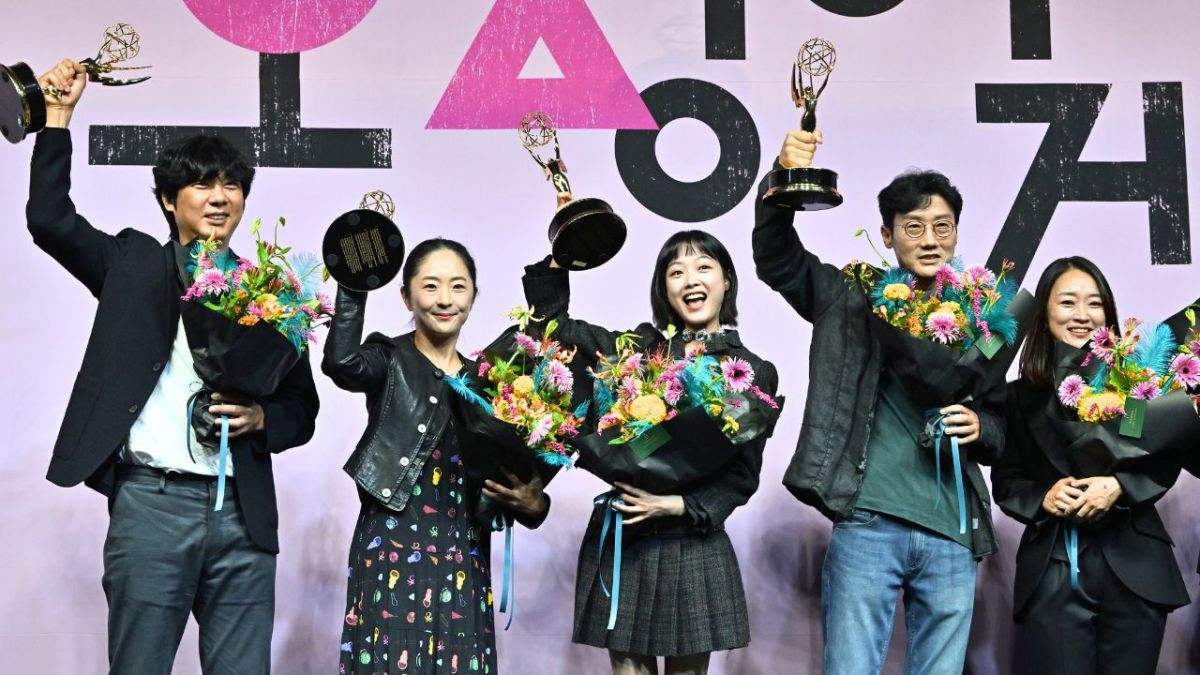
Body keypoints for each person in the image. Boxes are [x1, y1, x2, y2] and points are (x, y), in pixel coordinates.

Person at [26, 60, 320, 673]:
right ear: (168, 199)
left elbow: (302, 410)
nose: (219, 197)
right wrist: (57, 119)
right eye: (202, 185)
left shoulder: (273, 291)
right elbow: (49, 220)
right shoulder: (131, 264)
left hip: (242, 512)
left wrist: (262, 418)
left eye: (232, 186)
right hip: (151, 504)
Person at [753, 128, 1003, 674]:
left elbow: (1002, 422)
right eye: (913, 227)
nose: (930, 239)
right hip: (868, 521)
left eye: (942, 226)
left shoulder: (982, 316)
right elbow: (776, 258)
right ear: (887, 235)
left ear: (956, 234)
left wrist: (982, 426)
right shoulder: (850, 296)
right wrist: (783, 176)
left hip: (952, 528)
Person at [522, 230, 779, 675]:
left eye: (703, 267)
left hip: (692, 542)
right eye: (676, 272)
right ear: (664, 288)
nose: (690, 280)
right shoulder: (637, 352)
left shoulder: (751, 372)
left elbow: (742, 474)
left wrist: (679, 504)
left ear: (726, 280)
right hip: (626, 538)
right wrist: (563, 246)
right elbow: (556, 329)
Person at [323, 238, 550, 674]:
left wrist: (535, 504)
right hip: (390, 541)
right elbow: (342, 362)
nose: (445, 299)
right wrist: (353, 281)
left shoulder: (492, 384)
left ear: (473, 296)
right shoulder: (388, 358)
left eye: (458, 286)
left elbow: (516, 479)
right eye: (430, 286)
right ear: (406, 296)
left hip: (463, 547)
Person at [992, 256, 1190, 675]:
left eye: (1094, 303)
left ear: (1108, 315)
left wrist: (1120, 486)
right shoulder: (1016, 398)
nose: (1082, 314)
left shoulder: (1137, 386)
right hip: (1055, 569)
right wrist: (1045, 497)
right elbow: (1007, 480)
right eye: (1068, 302)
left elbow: (1164, 454)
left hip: (1137, 568)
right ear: (1044, 312)